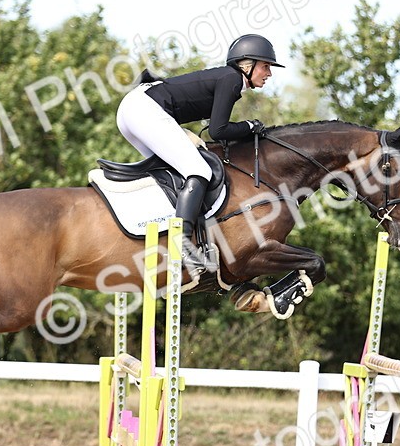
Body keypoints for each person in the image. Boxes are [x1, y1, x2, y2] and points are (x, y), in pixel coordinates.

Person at [115, 33, 283, 274]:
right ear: (247, 65)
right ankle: (182, 245)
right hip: (143, 110)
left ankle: (157, 229)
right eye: (265, 66)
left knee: (174, 172)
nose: (269, 73)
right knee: (199, 169)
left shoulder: (227, 78)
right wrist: (249, 126)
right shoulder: (231, 79)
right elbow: (218, 131)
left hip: (132, 111)